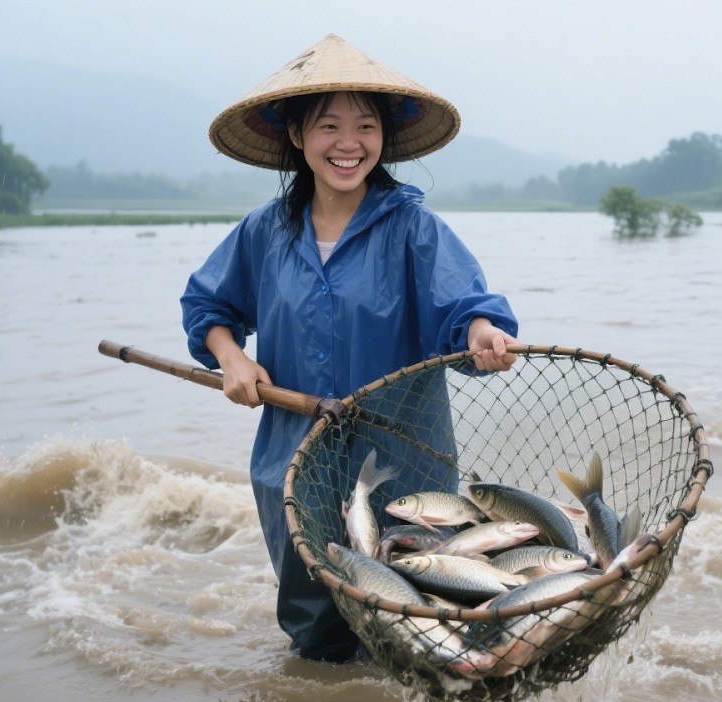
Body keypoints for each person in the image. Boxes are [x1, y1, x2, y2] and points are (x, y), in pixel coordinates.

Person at [180, 34, 519, 662]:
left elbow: (465, 308)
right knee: (317, 641)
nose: (349, 143)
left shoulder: (414, 228)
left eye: (366, 126)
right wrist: (232, 358)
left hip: (405, 471)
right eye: (328, 125)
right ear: (296, 135)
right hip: (295, 465)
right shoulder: (264, 232)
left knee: (421, 637)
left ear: (384, 137)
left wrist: (482, 334)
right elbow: (208, 309)